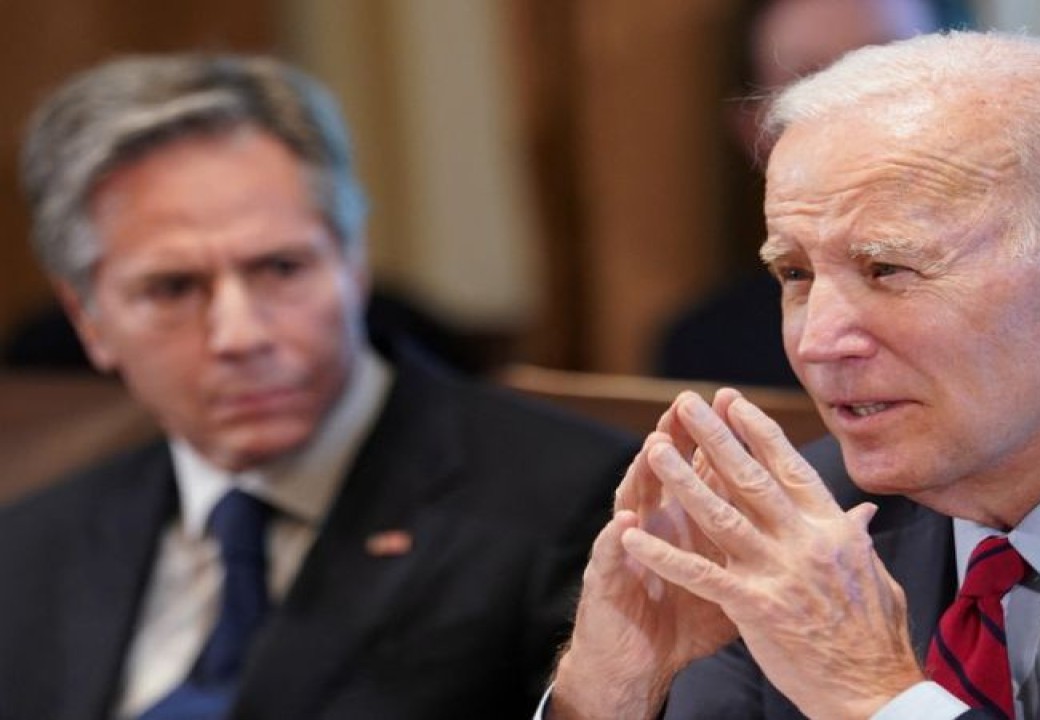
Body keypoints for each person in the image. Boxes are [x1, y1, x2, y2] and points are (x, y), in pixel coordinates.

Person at [545, 31, 1040, 719]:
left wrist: (873, 696)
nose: (818, 340)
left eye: (888, 268)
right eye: (795, 273)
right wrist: (611, 693)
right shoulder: (803, 520)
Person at [0, 53, 637, 719]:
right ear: (88, 320)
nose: (239, 335)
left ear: (352, 260)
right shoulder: (26, 548)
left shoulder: (577, 505)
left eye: (280, 267)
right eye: (173, 288)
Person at [654, 0, 941, 387]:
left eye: (888, 71)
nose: (858, 111)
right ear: (755, 133)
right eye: (811, 83)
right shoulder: (709, 352)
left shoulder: (1028, 300)